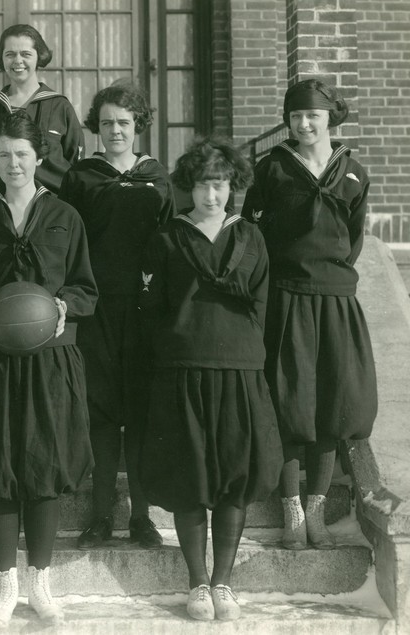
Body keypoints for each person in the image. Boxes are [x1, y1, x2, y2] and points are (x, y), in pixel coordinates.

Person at [0, 111, 98, 627]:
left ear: (40, 158)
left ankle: (41, 579)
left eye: (22, 155)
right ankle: (5, 578)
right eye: (4, 155)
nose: (13, 163)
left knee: (43, 464)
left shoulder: (65, 216)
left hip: (49, 363)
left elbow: (85, 290)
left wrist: (61, 309)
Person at [139, 137, 283, 621]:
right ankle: (196, 582)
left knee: (233, 480)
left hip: (238, 371)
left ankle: (223, 581)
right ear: (189, 188)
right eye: (203, 185)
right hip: (183, 370)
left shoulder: (251, 238)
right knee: (189, 477)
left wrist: (245, 351)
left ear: (232, 186)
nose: (212, 196)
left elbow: (263, 305)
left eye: (219, 185)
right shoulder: (167, 237)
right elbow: (153, 310)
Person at [242, 78, 378, 550]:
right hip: (287, 297)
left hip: (336, 302)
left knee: (331, 405)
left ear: (329, 118)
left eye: (313, 116)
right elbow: (253, 237)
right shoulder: (272, 169)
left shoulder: (355, 173)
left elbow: (354, 239)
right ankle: (292, 510)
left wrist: (332, 280)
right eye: (296, 116)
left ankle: (317, 509)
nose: (304, 124)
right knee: (289, 402)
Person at [59, 80, 175, 551]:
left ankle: (142, 517)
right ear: (96, 127)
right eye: (106, 123)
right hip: (97, 310)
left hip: (146, 311)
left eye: (124, 123)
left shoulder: (158, 178)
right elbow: (67, 242)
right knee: (102, 413)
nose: (115, 131)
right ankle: (101, 514)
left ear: (138, 125)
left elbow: (170, 246)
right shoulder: (81, 177)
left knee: (142, 414)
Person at [0, 23, 83, 194]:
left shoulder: (60, 107)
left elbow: (75, 160)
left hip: (53, 204)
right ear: (2, 58)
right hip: (1, 204)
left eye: (26, 54)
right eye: (10, 54)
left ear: (39, 57)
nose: (17, 61)